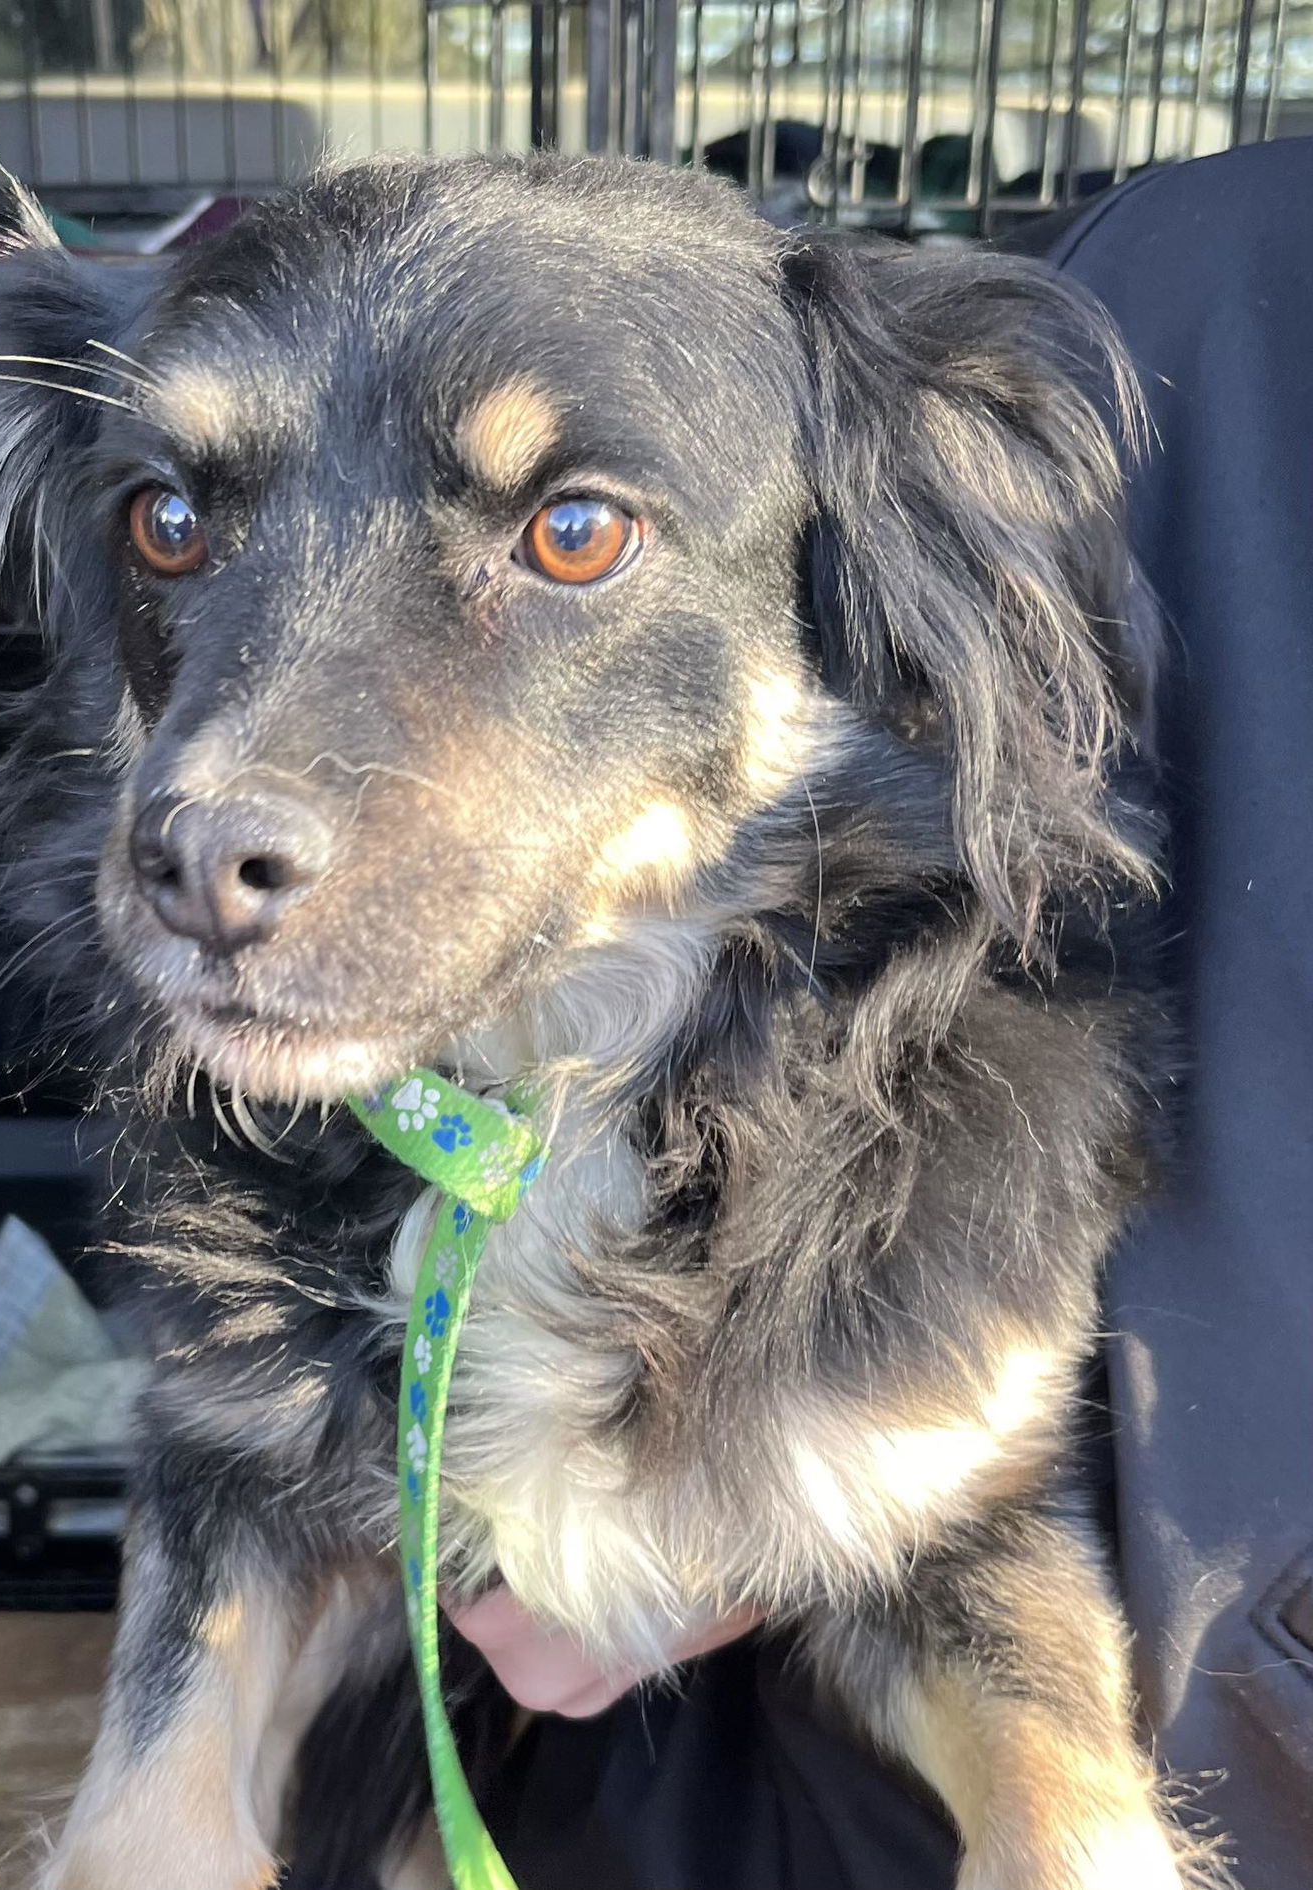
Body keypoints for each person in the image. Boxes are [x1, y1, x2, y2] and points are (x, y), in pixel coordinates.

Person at [461, 138, 1313, 1890]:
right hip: (885, 1695)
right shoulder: (1174, 299)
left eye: (572, 528)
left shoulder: (1172, 286)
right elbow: (924, 903)